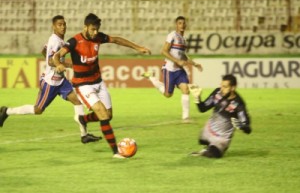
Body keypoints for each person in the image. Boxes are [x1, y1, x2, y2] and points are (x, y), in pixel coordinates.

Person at [52, 13, 151, 159]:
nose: (95, 32)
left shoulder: (98, 37)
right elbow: (56, 55)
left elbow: (116, 39)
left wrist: (138, 48)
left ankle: (83, 119)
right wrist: (59, 64)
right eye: (93, 29)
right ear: (85, 27)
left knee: (108, 116)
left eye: (97, 29)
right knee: (102, 114)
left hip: (98, 82)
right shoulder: (74, 42)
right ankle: (116, 152)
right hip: (83, 85)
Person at [0, 15, 101, 144]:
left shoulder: (59, 40)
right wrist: (60, 64)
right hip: (51, 82)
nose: (63, 27)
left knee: (78, 102)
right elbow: (50, 60)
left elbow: (44, 50)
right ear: (53, 26)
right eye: (59, 25)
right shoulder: (55, 41)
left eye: (64, 24)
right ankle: (7, 111)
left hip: (61, 81)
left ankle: (84, 135)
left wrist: (62, 64)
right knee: (38, 110)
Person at [142, 16, 202, 123]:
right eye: (180, 23)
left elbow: (183, 56)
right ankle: (151, 77)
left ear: (185, 25)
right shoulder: (172, 35)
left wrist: (194, 64)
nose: (182, 25)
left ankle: (186, 118)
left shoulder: (184, 40)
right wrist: (176, 61)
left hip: (179, 70)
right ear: (176, 25)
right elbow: (163, 51)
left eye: (183, 23)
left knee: (185, 89)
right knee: (168, 94)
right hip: (169, 69)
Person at [189, 74, 252, 158]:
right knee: (202, 140)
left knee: (214, 155)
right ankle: (207, 148)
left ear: (233, 88)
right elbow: (203, 108)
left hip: (222, 138)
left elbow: (248, 129)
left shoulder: (238, 104)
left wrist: (242, 126)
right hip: (209, 131)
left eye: (225, 87)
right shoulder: (217, 93)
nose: (222, 89)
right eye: (221, 86)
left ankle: (206, 151)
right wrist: (197, 98)